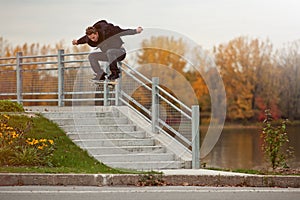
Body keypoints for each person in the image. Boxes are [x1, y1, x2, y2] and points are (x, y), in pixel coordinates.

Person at [72, 20, 143, 81]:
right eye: (91, 39)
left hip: (120, 52)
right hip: (108, 55)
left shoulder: (109, 31)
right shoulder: (89, 38)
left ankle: (115, 73)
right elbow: (84, 39)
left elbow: (122, 32)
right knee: (92, 56)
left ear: (96, 33)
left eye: (94, 37)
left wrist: (136, 31)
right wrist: (77, 42)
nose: (93, 40)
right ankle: (100, 74)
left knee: (110, 52)